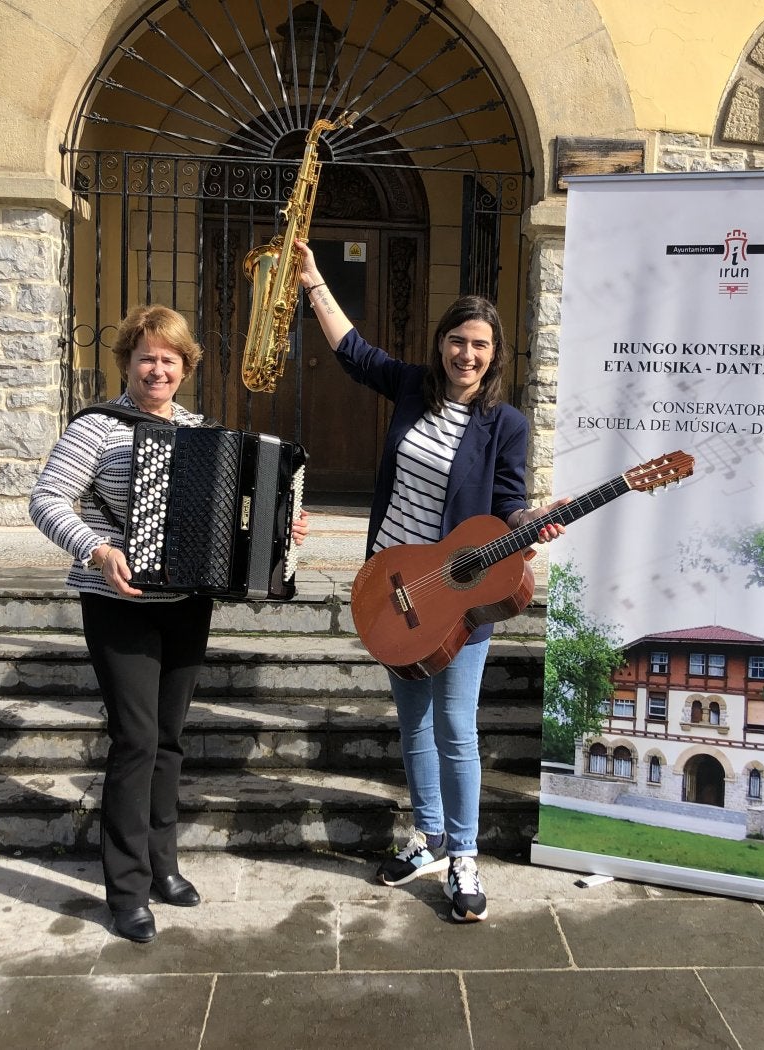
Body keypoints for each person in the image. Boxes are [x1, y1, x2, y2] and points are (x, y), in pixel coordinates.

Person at [294, 239, 563, 922]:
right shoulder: (413, 389)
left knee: (455, 726)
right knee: (413, 727)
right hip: (394, 587)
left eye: (479, 345)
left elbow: (506, 502)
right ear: (441, 343)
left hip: (460, 593)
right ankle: (430, 836)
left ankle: (465, 854)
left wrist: (531, 518)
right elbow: (355, 353)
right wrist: (315, 282)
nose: (465, 355)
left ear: (494, 354)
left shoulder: (505, 424)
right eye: (456, 341)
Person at [28, 304, 307, 944]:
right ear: (127, 361)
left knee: (171, 740)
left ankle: (163, 866)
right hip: (118, 603)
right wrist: (96, 549)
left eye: (170, 359)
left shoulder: (201, 430)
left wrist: (275, 532)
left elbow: (232, 516)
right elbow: (45, 501)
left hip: (186, 604)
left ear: (186, 368)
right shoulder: (97, 428)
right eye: (146, 357)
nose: (158, 369)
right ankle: (125, 891)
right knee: (135, 742)